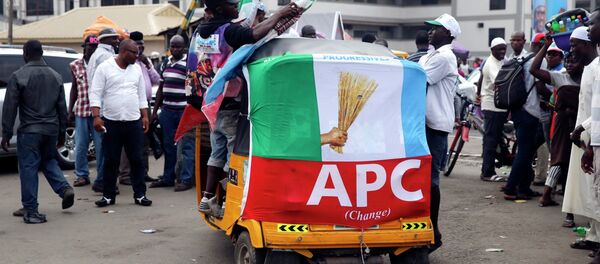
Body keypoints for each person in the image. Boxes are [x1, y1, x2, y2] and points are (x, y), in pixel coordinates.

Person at [195, 0, 301, 214]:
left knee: (217, 152)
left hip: (212, 104)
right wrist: (280, 14)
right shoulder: (229, 31)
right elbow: (252, 35)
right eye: (231, 4)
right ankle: (226, 201)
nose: (235, 7)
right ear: (219, 9)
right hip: (230, 104)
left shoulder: (201, 33)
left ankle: (207, 198)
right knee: (234, 155)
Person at [2, 40, 75, 223]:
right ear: (41, 53)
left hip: (30, 131)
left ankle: (31, 209)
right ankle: (64, 188)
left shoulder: (19, 76)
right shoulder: (56, 75)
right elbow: (62, 108)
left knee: (28, 167)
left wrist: (6, 133)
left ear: (25, 54)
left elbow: (10, 108)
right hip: (50, 130)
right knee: (49, 160)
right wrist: (61, 131)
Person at [89, 39, 152, 207]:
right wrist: (96, 116)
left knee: (137, 159)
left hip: (133, 122)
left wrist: (144, 116)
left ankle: (140, 194)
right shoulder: (105, 68)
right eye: (134, 53)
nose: (137, 56)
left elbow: (141, 95)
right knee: (111, 160)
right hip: (112, 121)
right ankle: (108, 196)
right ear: (124, 52)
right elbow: (95, 93)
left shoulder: (136, 69)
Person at [418, 13, 461, 254]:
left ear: (449, 33)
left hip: (434, 125)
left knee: (430, 180)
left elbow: (417, 80)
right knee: (423, 179)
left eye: (436, 28)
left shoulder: (444, 57)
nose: (431, 31)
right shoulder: (430, 55)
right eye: (431, 27)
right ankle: (430, 233)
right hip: (426, 123)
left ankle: (434, 235)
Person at [530, 37, 582, 209]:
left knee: (577, 161)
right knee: (558, 158)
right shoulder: (561, 77)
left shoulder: (589, 77)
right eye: (568, 61)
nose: (570, 65)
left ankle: (572, 198)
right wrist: (545, 47)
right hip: (562, 123)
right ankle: (546, 195)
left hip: (581, 123)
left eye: (574, 61)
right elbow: (534, 69)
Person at [569, 20, 600, 258]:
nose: (589, 27)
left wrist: (586, 132)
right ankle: (594, 235)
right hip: (587, 134)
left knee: (596, 190)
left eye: (594, 24)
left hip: (593, 135)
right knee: (591, 190)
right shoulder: (592, 65)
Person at [502, 32, 546, 201]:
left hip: (519, 110)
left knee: (526, 151)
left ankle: (524, 187)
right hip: (530, 111)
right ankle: (512, 188)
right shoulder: (539, 61)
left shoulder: (524, 59)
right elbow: (540, 87)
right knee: (525, 153)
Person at [149, 35, 195, 192]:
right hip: (167, 110)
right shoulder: (165, 63)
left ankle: (186, 179)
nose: (175, 49)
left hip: (184, 110)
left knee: (187, 146)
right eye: (173, 46)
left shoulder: (189, 62)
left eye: (178, 47)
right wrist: (155, 111)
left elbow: (193, 85)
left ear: (184, 48)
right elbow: (161, 89)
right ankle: (168, 177)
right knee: (169, 146)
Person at [118, 31, 161, 186]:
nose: (141, 48)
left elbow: (157, 79)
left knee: (144, 141)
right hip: (132, 106)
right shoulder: (128, 62)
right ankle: (125, 174)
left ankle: (143, 173)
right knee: (128, 142)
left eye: (142, 45)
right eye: (137, 45)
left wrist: (148, 65)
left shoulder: (144, 61)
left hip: (145, 105)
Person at [86, 27, 120, 193]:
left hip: (99, 104)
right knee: (106, 148)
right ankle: (102, 181)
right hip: (105, 107)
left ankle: (102, 180)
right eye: (114, 38)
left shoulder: (95, 55)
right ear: (106, 39)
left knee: (103, 146)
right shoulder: (105, 56)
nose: (117, 40)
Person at [68, 35, 101, 189]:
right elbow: (74, 88)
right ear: (84, 47)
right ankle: (82, 175)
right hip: (81, 110)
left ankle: (102, 176)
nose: (93, 50)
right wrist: (70, 110)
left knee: (101, 145)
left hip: (98, 112)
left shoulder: (101, 64)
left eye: (95, 47)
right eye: (90, 47)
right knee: (80, 145)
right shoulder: (75, 65)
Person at [533, 42, 565, 186]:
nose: (551, 57)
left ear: (561, 56)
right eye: (549, 54)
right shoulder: (549, 69)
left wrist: (549, 102)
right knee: (542, 144)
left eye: (554, 54)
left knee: (553, 147)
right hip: (543, 113)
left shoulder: (561, 71)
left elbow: (556, 93)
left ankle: (555, 182)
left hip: (553, 115)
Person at [477, 37, 507, 182]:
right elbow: (500, 82)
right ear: (492, 50)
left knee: (494, 139)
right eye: (499, 49)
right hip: (492, 106)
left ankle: (493, 166)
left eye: (504, 48)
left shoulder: (501, 60)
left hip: (498, 106)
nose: (502, 51)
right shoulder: (491, 63)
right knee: (491, 140)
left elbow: (481, 78)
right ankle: (487, 172)